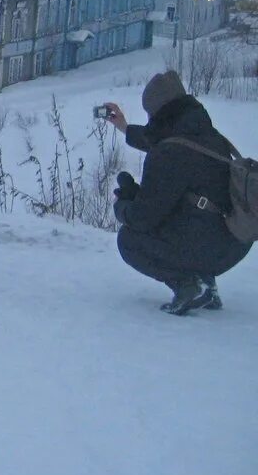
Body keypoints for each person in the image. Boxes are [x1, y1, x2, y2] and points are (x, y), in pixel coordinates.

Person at [103, 69, 251, 315]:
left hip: (207, 246)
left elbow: (144, 217)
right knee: (191, 218)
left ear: (158, 112)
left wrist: (124, 204)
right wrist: (125, 127)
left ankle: (190, 285)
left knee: (130, 240)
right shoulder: (205, 133)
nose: (149, 118)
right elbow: (162, 141)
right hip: (234, 243)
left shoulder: (169, 154)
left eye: (150, 113)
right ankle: (207, 286)